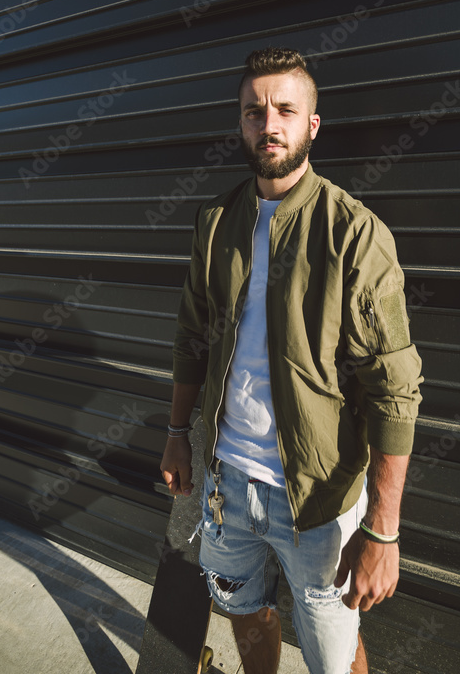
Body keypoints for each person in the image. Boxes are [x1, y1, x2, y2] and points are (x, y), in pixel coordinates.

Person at [160, 47, 423, 674]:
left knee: (334, 655)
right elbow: (192, 334)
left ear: (312, 124)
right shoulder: (217, 222)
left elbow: (395, 390)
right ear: (241, 124)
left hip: (318, 502)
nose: (268, 124)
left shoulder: (354, 234)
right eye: (255, 112)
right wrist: (176, 435)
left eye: (284, 109)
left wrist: (383, 532)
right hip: (225, 484)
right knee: (245, 612)